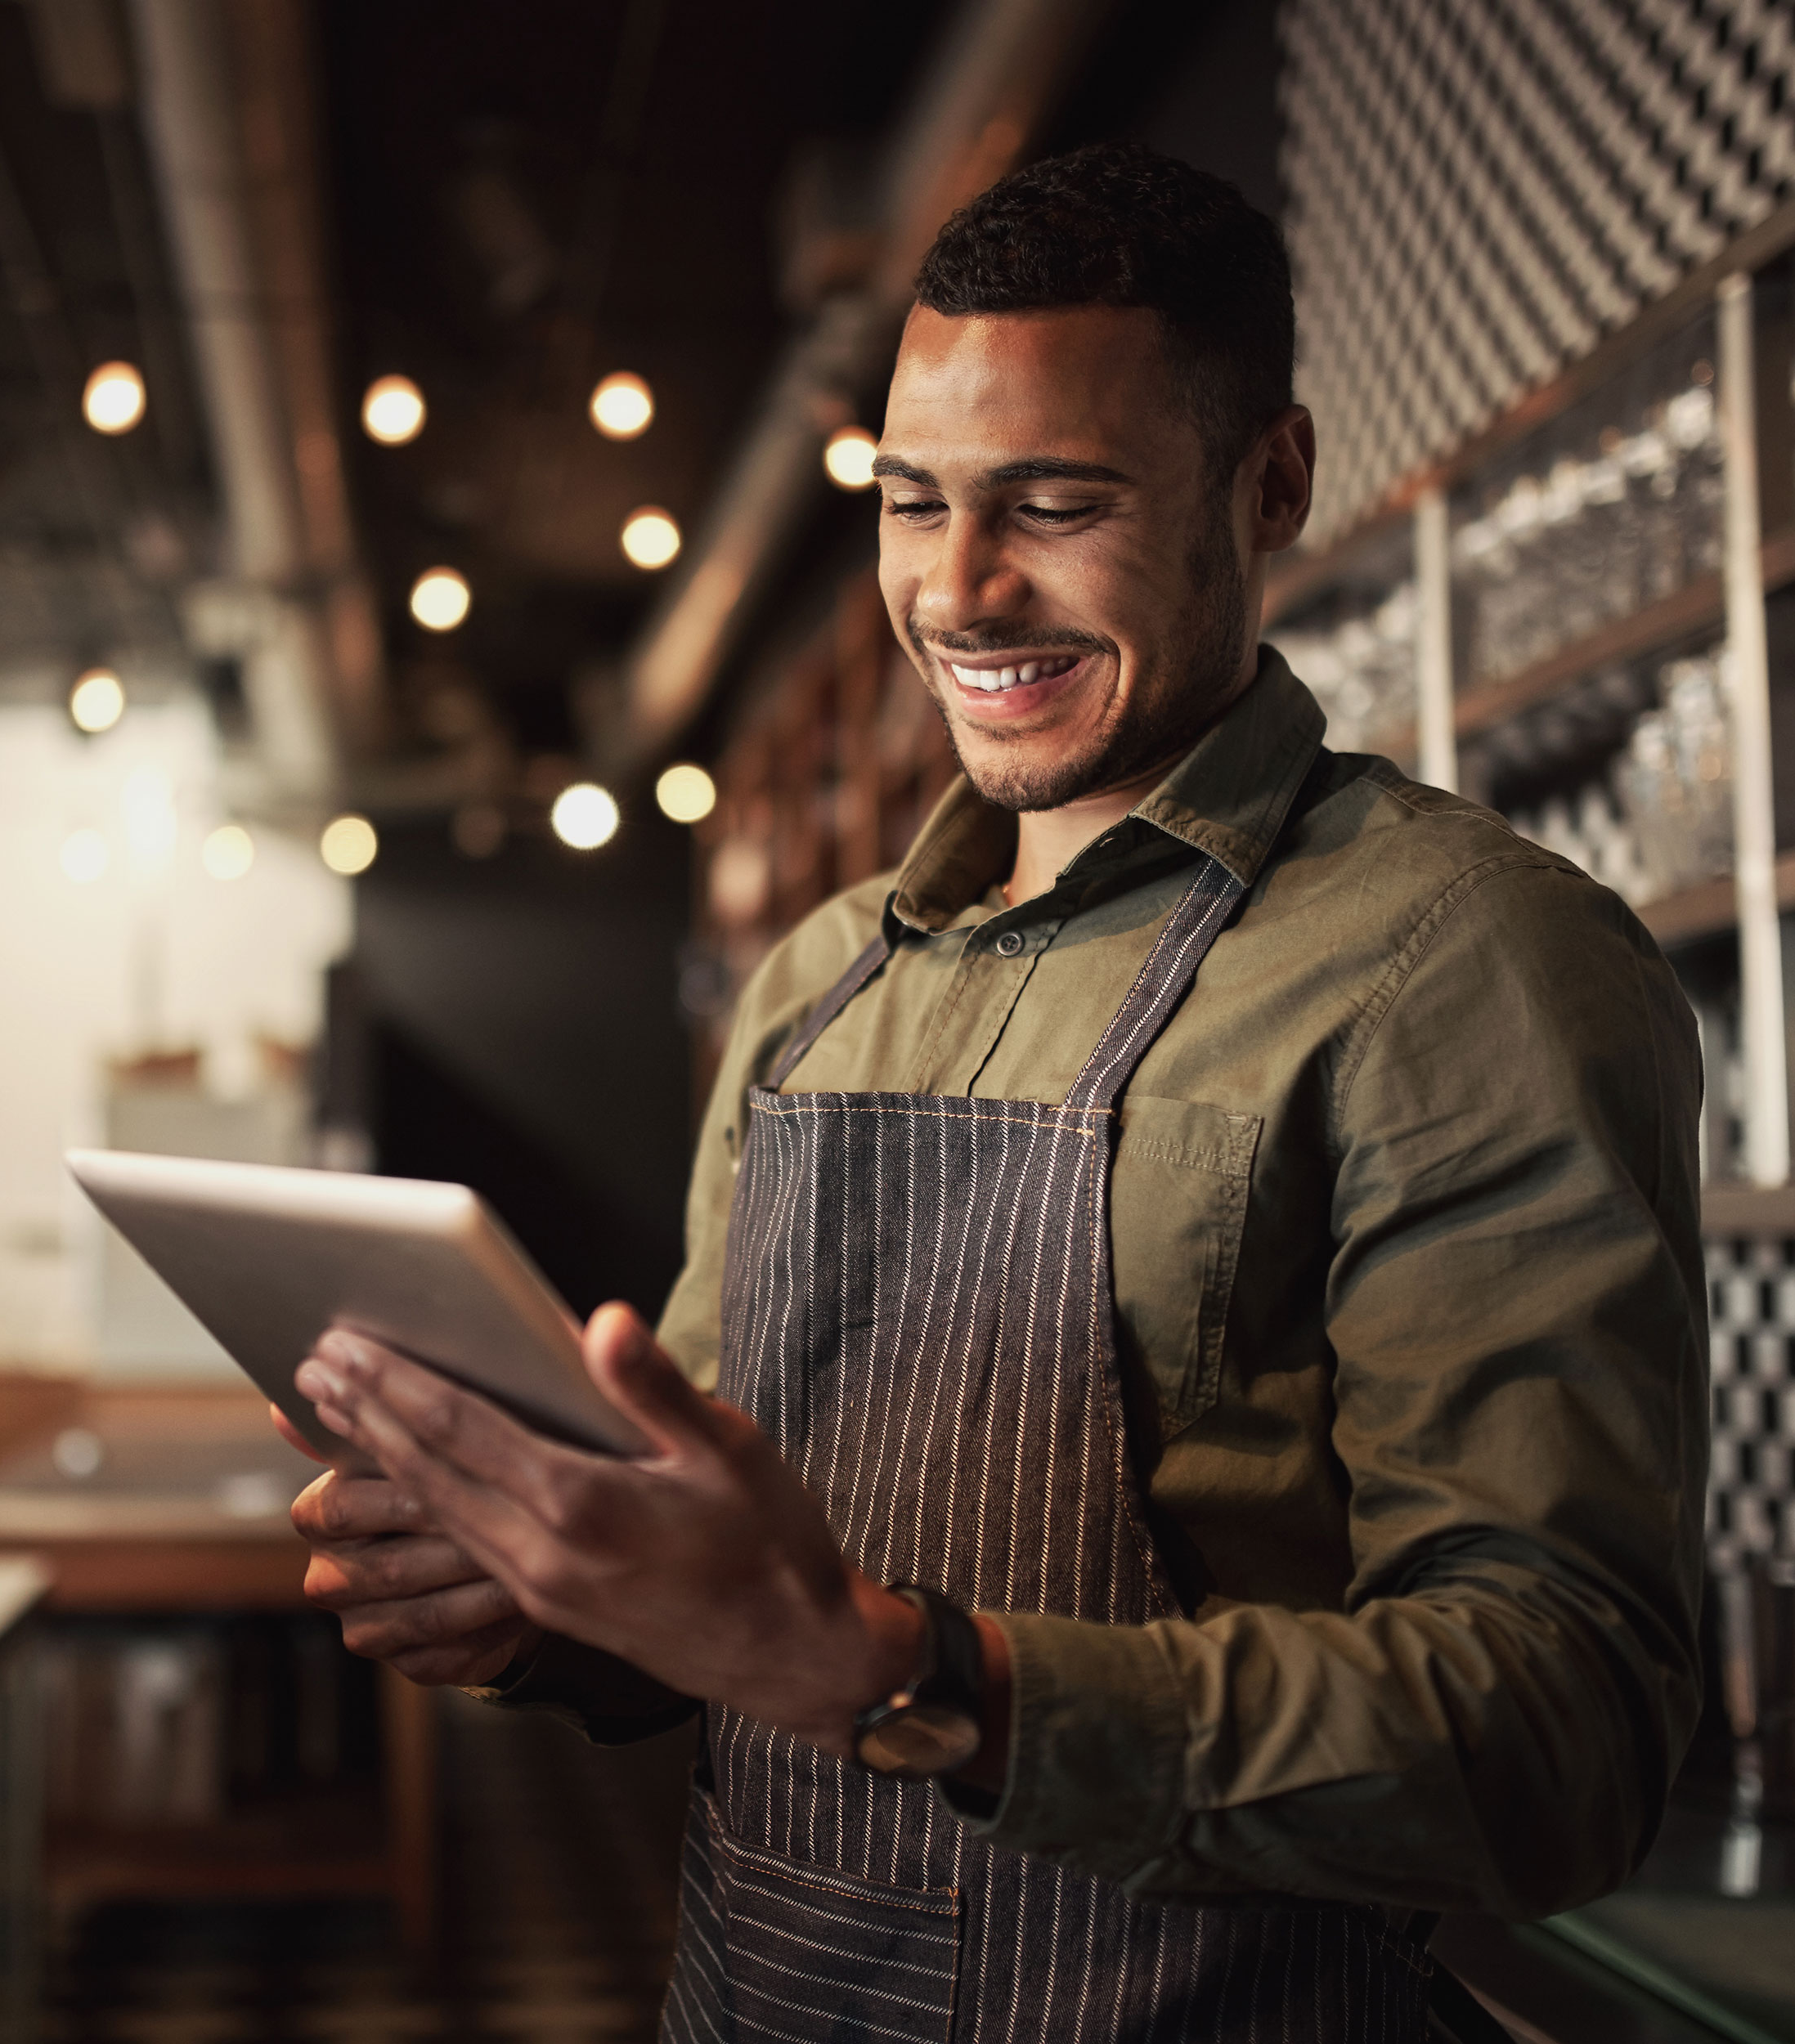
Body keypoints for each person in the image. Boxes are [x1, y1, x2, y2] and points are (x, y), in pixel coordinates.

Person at [280, 145, 1707, 2041]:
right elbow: (713, 1582)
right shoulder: (813, 985)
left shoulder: (1464, 959)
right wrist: (550, 1598)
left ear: (1269, 482)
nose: (956, 588)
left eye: (1054, 501)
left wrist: (908, 1672)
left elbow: (1561, 1729)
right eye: (909, 502)